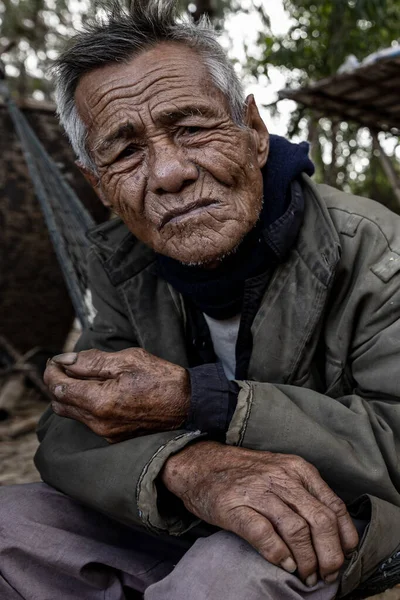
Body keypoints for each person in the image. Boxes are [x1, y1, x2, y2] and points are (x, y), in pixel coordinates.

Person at [1, 2, 400, 599]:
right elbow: (70, 425)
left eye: (190, 128)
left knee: (220, 579)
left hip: (345, 516)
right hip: (191, 509)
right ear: (99, 184)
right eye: (126, 151)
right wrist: (183, 466)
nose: (167, 173)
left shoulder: (376, 252)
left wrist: (206, 403)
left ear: (255, 134)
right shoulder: (123, 257)